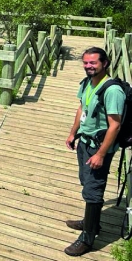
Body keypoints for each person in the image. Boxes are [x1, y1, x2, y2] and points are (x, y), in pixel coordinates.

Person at [64, 47, 125, 256]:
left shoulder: (112, 91)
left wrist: (100, 154)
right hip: (84, 143)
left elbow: (115, 125)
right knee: (86, 181)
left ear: (105, 63)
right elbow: (82, 108)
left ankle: (88, 238)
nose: (89, 66)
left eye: (93, 63)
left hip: (99, 148)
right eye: (86, 63)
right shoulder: (87, 83)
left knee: (93, 189)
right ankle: (90, 221)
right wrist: (73, 133)